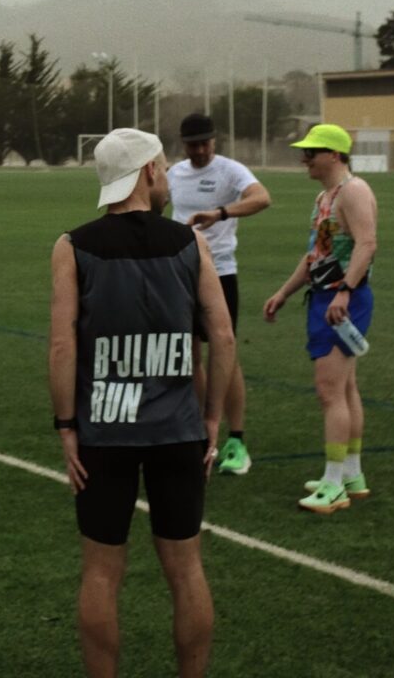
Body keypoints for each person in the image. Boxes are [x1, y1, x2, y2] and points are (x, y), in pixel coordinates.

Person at [49, 128, 234, 678]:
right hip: (178, 432)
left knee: (102, 573)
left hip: (103, 433)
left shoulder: (72, 246)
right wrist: (213, 419)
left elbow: (63, 344)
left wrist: (66, 426)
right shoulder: (188, 243)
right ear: (150, 172)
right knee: (186, 570)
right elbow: (221, 339)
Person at [263, 123, 378, 514]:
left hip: (341, 300)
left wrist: (345, 289)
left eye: (311, 151)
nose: (304, 158)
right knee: (344, 389)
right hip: (326, 298)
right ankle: (351, 474)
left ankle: (333, 485)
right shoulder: (325, 197)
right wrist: (284, 292)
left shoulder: (355, 191)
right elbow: (316, 255)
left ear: (333, 154)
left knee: (329, 391)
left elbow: (367, 243)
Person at [166, 113, 271, 476]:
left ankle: (237, 441)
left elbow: (262, 198)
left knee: (225, 352)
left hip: (221, 272)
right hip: (181, 271)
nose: (199, 150)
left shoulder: (231, 171)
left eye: (205, 143)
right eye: (192, 144)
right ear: (182, 144)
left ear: (215, 141)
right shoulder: (173, 173)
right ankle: (199, 433)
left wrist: (221, 212)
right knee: (190, 354)